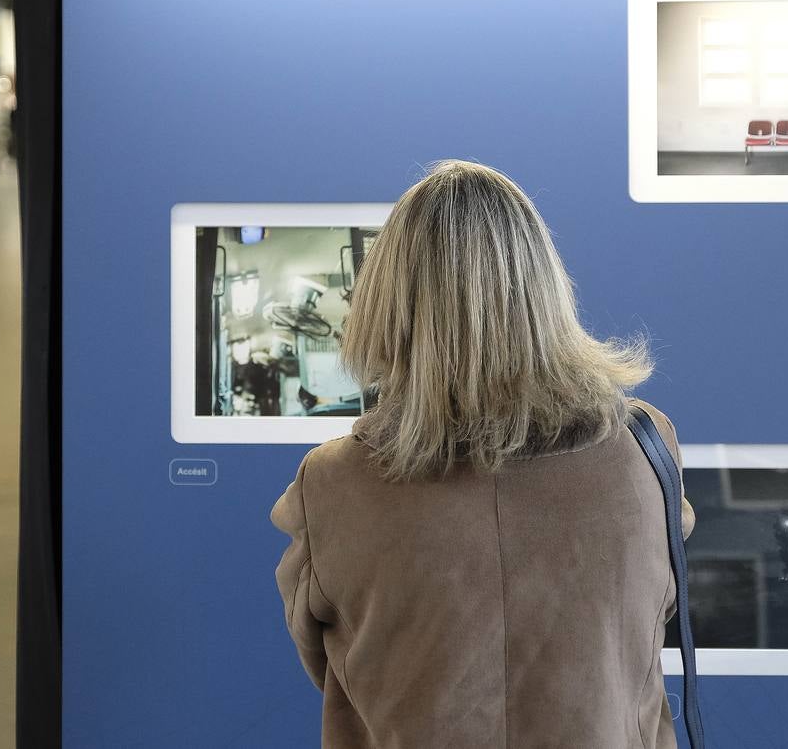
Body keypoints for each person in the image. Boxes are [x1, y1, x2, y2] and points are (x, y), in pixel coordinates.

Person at [271, 161, 696, 749]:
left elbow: (331, 665)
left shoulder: (332, 483)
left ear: (387, 301)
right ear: (544, 289)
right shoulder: (644, 452)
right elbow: (649, 628)